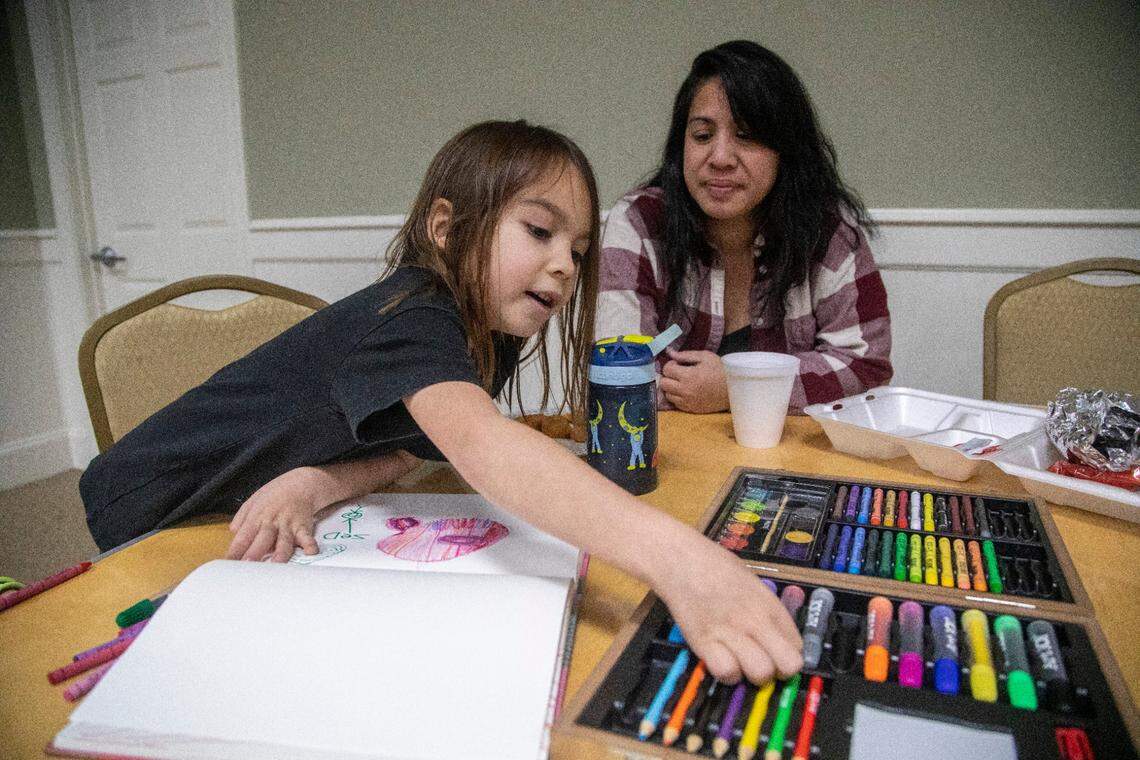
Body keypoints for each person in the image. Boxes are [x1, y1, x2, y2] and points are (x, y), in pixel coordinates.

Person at [80, 120, 801, 686]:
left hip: (244, 524)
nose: (563, 265)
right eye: (539, 231)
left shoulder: (486, 330)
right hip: (155, 514)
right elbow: (484, 446)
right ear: (447, 229)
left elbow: (407, 448)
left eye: (578, 250)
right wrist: (682, 561)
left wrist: (316, 481)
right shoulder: (414, 315)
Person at [596, 40, 892, 413]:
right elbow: (618, 373)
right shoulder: (639, 222)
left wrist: (741, 386)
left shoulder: (829, 233)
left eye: (747, 135)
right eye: (702, 136)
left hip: (785, 449)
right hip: (666, 446)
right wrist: (774, 386)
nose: (720, 158)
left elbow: (867, 368)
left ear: (785, 149)